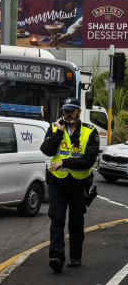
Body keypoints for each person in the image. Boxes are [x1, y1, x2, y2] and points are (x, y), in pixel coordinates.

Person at [40, 97, 99, 274]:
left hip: (79, 184)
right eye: (65, 111)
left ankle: (75, 256)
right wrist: (58, 133)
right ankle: (56, 257)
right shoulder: (54, 128)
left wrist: (64, 162)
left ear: (79, 112)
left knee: (75, 222)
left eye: (71, 111)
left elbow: (88, 161)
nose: (67, 114)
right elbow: (46, 150)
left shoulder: (90, 131)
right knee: (56, 219)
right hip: (57, 182)